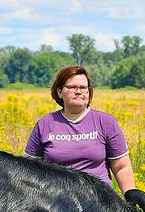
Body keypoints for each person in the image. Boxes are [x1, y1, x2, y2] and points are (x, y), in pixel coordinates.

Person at [25, 65, 137, 193]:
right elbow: (29, 169)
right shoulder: (44, 124)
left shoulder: (106, 122)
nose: (78, 91)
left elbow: (121, 167)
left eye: (83, 88)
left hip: (99, 198)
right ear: (59, 92)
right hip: (55, 199)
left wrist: (131, 195)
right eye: (72, 87)